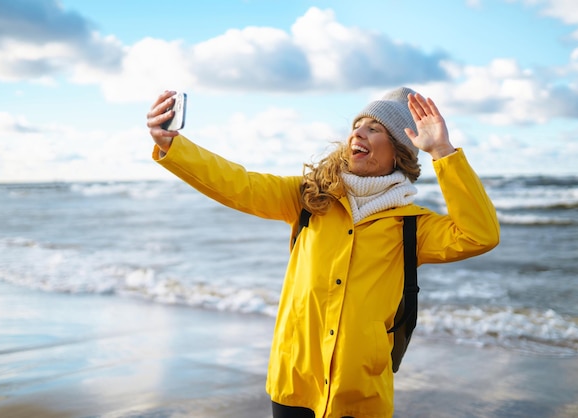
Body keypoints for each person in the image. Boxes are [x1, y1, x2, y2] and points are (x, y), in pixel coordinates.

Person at [146, 87, 500, 418]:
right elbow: (237, 183)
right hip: (294, 382)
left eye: (374, 128)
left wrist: (442, 152)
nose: (358, 133)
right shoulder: (308, 198)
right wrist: (173, 146)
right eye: (356, 126)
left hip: (360, 392)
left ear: (399, 151)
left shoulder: (412, 227)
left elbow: (479, 234)